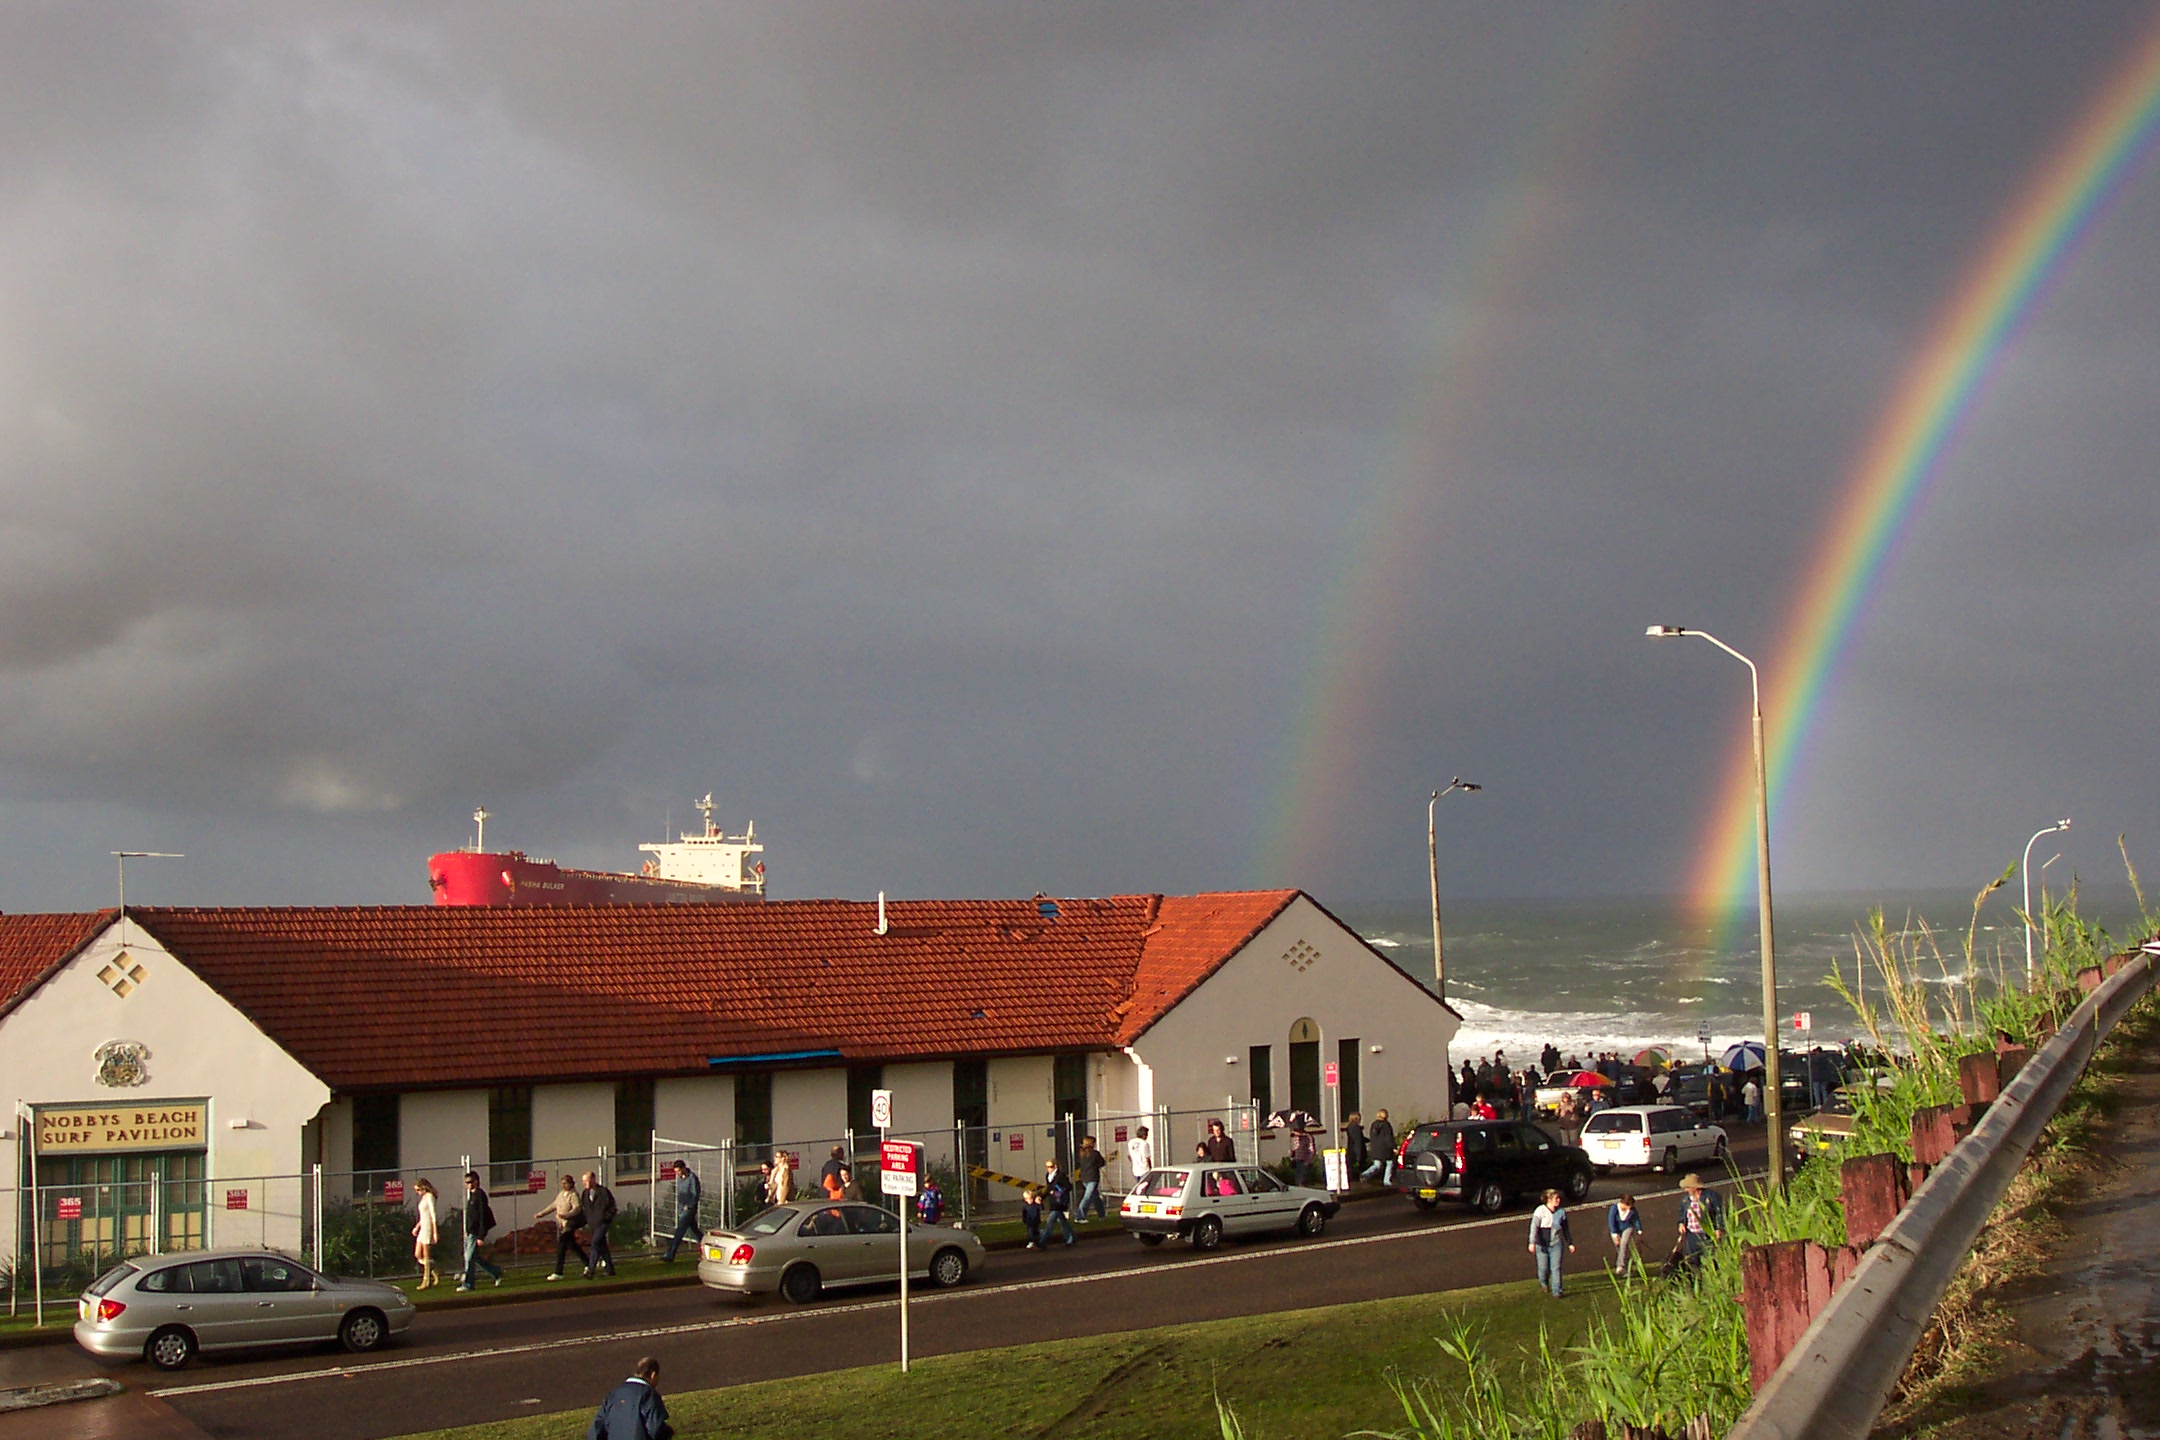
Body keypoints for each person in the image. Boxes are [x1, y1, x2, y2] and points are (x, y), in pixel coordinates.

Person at [587, 1356, 671, 1440]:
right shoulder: (648, 1394)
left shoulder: (613, 1395)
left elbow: (595, 1431)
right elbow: (656, 1429)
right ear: (653, 1375)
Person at [458, 1171, 503, 1291]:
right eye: (466, 1183)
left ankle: (468, 1284)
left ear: (476, 1181)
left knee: (469, 1259)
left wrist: (481, 1236)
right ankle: (496, 1272)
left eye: (470, 1182)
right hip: (470, 1232)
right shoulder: (472, 1196)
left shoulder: (480, 1195)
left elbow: (482, 1216)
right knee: (474, 1258)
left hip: (476, 1233)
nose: (468, 1185)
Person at [1527, 1189, 1574, 1298]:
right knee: (1543, 1269)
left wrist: (1570, 1243)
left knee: (1556, 1268)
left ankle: (1557, 1291)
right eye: (1556, 1198)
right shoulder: (1540, 1211)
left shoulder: (1561, 1213)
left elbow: (1566, 1229)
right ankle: (1544, 1282)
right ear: (1549, 1200)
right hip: (1542, 1245)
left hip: (1556, 1244)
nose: (1558, 1200)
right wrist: (1532, 1242)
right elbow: (1534, 1227)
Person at [1675, 1174, 1726, 1273]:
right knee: (1693, 1261)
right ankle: (1697, 1280)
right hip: (1692, 1234)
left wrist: (1719, 1228)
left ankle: (1715, 1277)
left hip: (1707, 1233)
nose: (1686, 1190)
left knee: (1711, 1258)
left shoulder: (1711, 1197)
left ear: (1694, 1187)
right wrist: (1681, 1223)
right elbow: (1682, 1212)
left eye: (1688, 1187)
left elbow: (1719, 1213)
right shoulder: (1685, 1199)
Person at [546, 1174, 588, 1281]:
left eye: (566, 1183)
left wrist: (566, 1215)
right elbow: (554, 1205)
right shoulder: (561, 1194)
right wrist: (541, 1214)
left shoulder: (573, 1195)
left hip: (570, 1224)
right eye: (563, 1183)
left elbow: (577, 1208)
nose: (564, 1185)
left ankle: (558, 1272)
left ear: (571, 1183)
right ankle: (589, 1263)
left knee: (561, 1246)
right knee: (573, 1246)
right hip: (562, 1224)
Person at [661, 1160, 702, 1263]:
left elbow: (695, 1194)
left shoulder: (692, 1178)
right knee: (696, 1232)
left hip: (688, 1210)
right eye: (676, 1172)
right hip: (681, 1208)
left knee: (679, 1232)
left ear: (683, 1168)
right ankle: (706, 1246)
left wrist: (689, 1206)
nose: (677, 1173)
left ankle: (670, 1255)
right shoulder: (679, 1179)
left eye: (679, 1171)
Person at [581, 1170, 619, 1278]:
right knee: (602, 1246)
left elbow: (612, 1207)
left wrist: (605, 1218)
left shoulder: (603, 1192)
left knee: (595, 1243)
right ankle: (610, 1269)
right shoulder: (585, 1194)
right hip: (593, 1224)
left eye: (587, 1180)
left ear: (593, 1179)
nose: (585, 1183)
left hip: (602, 1223)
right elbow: (584, 1208)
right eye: (583, 1181)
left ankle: (591, 1269)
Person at [411, 1178, 440, 1289]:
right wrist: (417, 1227)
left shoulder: (430, 1197)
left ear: (423, 1187)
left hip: (428, 1228)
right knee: (418, 1254)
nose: (417, 1192)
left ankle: (426, 1280)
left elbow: (433, 1215)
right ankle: (434, 1269)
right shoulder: (423, 1198)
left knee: (426, 1255)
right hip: (423, 1227)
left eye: (418, 1189)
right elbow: (423, 1215)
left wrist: (435, 1232)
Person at [1040, 1158, 1077, 1246]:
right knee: (1062, 1222)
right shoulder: (1048, 1176)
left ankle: (1042, 1240)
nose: (1049, 1169)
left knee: (1050, 1222)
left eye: (1051, 1167)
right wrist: (1041, 1197)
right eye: (1047, 1167)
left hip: (1060, 1202)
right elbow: (1048, 1189)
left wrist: (1058, 1192)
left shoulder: (1060, 1176)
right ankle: (1071, 1238)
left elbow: (1068, 1187)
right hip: (1053, 1202)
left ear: (1055, 1166)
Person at [1073, 1136, 1109, 1222]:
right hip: (1093, 1177)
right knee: (1087, 1197)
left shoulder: (1081, 1153)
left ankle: (1102, 1214)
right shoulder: (1095, 1153)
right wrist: (1096, 1165)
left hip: (1084, 1177)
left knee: (1095, 1197)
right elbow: (1102, 1162)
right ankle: (1079, 1216)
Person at [1607, 1194, 1643, 1277]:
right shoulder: (1614, 1208)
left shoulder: (1632, 1210)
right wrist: (1614, 1234)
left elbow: (1636, 1219)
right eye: (1628, 1205)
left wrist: (1639, 1229)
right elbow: (1611, 1222)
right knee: (1619, 1248)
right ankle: (1625, 1269)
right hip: (1616, 1230)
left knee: (1624, 1244)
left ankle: (1620, 1266)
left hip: (1628, 1228)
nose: (1629, 1208)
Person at [1362, 1109, 1396, 1184]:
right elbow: (1388, 1138)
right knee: (1389, 1163)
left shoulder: (1373, 1124)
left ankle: (1365, 1174)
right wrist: (1393, 1147)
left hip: (1375, 1149)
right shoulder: (1386, 1125)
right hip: (1385, 1149)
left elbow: (1372, 1137)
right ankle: (1387, 1181)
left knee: (1377, 1164)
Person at [1288, 1123, 1319, 1188]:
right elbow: (1295, 1149)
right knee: (1297, 1180)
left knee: (1302, 1181)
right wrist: (1292, 1153)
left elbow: (1312, 1151)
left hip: (1304, 1162)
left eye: (1295, 1131)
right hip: (1297, 1161)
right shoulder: (1296, 1138)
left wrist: (1308, 1162)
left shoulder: (1308, 1137)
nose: (1294, 1133)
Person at [1343, 1112, 1368, 1181]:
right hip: (1356, 1152)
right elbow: (1358, 1141)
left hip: (1351, 1151)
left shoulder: (1349, 1127)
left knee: (1351, 1169)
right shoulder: (1356, 1128)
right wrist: (1359, 1156)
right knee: (1358, 1170)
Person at [1020, 1184, 1044, 1249]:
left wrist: (1040, 1202)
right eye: (1028, 1199)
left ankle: (1038, 1240)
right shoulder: (1025, 1207)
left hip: (1036, 1221)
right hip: (1029, 1222)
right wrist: (1024, 1220)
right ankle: (1032, 1241)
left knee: (1035, 1232)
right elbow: (1024, 1214)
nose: (1030, 1200)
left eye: (1031, 1199)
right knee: (1030, 1232)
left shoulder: (1035, 1205)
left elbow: (1041, 1208)